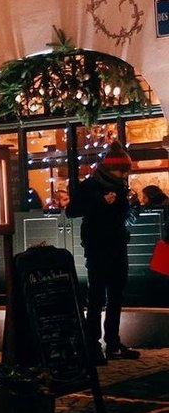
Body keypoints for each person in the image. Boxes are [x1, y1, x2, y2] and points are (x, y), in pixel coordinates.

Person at [67, 140, 140, 363]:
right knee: (97, 296)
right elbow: (72, 210)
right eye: (122, 170)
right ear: (111, 169)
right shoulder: (91, 186)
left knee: (117, 295)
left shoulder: (121, 187)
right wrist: (100, 202)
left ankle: (113, 342)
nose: (124, 175)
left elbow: (121, 217)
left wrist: (132, 205)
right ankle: (92, 345)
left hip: (117, 245)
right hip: (97, 247)